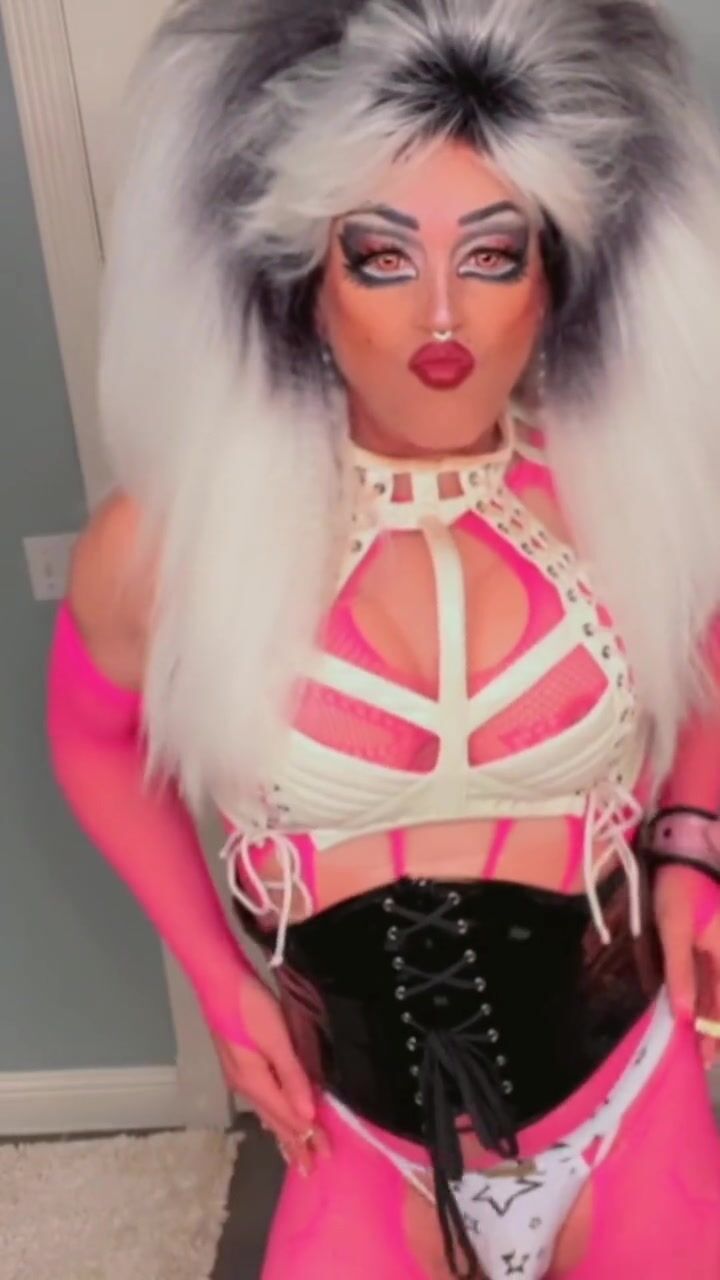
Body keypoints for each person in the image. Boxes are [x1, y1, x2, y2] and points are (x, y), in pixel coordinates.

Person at [48, 1, 720, 1276]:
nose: (443, 318)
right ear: (302, 275)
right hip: (356, 1127)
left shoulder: (626, 493)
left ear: (558, 273)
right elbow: (92, 739)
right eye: (382, 255)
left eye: (493, 252)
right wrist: (218, 977)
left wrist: (694, 847)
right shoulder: (168, 544)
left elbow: (714, 648)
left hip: (629, 1091)